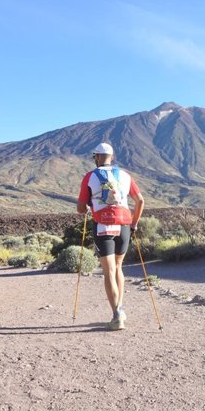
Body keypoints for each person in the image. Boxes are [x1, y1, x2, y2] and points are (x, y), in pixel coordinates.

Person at [77, 142, 144, 331]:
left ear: (97, 157)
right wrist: (134, 224)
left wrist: (90, 204)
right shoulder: (125, 175)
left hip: (103, 225)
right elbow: (140, 200)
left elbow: (81, 209)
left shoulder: (90, 177)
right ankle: (119, 310)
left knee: (109, 271)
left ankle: (116, 315)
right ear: (112, 157)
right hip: (124, 224)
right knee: (118, 268)